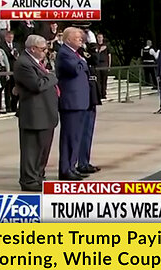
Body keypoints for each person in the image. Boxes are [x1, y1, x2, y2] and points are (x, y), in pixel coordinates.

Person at [13, 34, 59, 191]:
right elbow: (36, 85)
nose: (45, 52)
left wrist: (48, 76)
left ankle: (38, 176)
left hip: (45, 113)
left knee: (43, 149)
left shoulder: (37, 62)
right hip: (34, 115)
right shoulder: (24, 63)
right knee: (32, 151)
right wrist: (51, 77)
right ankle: (29, 181)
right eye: (42, 49)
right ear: (32, 48)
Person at [56, 27, 90, 180]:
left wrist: (82, 62)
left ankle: (71, 165)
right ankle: (65, 169)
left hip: (80, 101)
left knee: (76, 137)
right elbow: (75, 69)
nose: (80, 40)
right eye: (77, 38)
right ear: (68, 39)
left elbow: (84, 65)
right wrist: (82, 62)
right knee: (69, 137)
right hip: (71, 102)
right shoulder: (64, 53)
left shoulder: (75, 54)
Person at [76, 24, 102, 174]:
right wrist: (92, 45)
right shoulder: (78, 49)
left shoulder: (84, 48)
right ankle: (79, 162)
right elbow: (95, 59)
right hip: (83, 93)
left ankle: (84, 161)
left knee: (88, 130)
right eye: (84, 31)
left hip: (91, 92)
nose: (87, 33)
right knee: (82, 130)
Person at [0, 31, 19, 112]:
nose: (10, 39)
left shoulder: (16, 45)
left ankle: (14, 105)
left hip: (16, 70)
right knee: (7, 89)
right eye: (9, 37)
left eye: (12, 37)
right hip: (7, 70)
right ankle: (8, 106)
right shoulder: (2, 46)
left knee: (16, 88)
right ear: (6, 37)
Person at [97, 33, 111, 98]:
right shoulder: (96, 46)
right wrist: (100, 50)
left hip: (104, 64)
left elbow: (109, 55)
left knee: (104, 80)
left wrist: (109, 66)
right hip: (98, 64)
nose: (99, 39)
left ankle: (104, 93)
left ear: (102, 38)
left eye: (101, 37)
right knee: (98, 80)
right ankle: (99, 94)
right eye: (98, 37)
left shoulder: (106, 46)